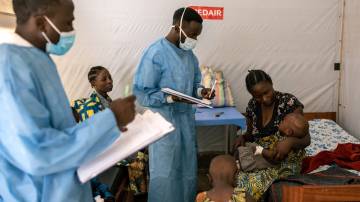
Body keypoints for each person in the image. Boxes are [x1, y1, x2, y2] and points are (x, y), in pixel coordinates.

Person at [0, 0, 136, 201]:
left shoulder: (39, 59)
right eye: (67, 23)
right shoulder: (10, 68)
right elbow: (37, 153)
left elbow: (60, 130)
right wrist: (111, 119)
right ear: (41, 24)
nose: (71, 31)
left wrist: (110, 128)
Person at [133, 7, 214, 202]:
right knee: (165, 175)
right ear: (179, 27)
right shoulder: (155, 53)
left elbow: (194, 84)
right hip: (164, 125)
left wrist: (200, 91)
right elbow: (142, 94)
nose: (194, 39)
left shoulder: (190, 56)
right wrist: (169, 98)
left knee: (187, 172)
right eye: (193, 34)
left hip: (185, 123)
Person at [233, 69, 310, 201]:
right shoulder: (252, 106)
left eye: (266, 92)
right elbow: (252, 134)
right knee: (231, 175)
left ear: (271, 83)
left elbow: (306, 137)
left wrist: (290, 142)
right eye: (257, 96)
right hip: (261, 157)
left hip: (281, 160)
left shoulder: (288, 102)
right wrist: (243, 137)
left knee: (249, 186)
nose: (264, 99)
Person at [72, 66, 148, 198]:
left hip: (116, 143)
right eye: (104, 79)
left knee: (146, 146)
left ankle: (138, 193)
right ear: (93, 84)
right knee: (139, 158)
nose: (109, 81)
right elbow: (95, 137)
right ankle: (138, 196)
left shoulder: (108, 101)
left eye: (110, 77)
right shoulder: (89, 107)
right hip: (103, 151)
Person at [234, 113, 309, 172]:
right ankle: (240, 159)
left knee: (253, 154)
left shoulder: (285, 146)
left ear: (288, 131)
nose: (281, 121)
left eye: (283, 121)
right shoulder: (283, 135)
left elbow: (273, 158)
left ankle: (239, 165)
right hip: (268, 154)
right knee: (249, 147)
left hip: (274, 165)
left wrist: (260, 149)